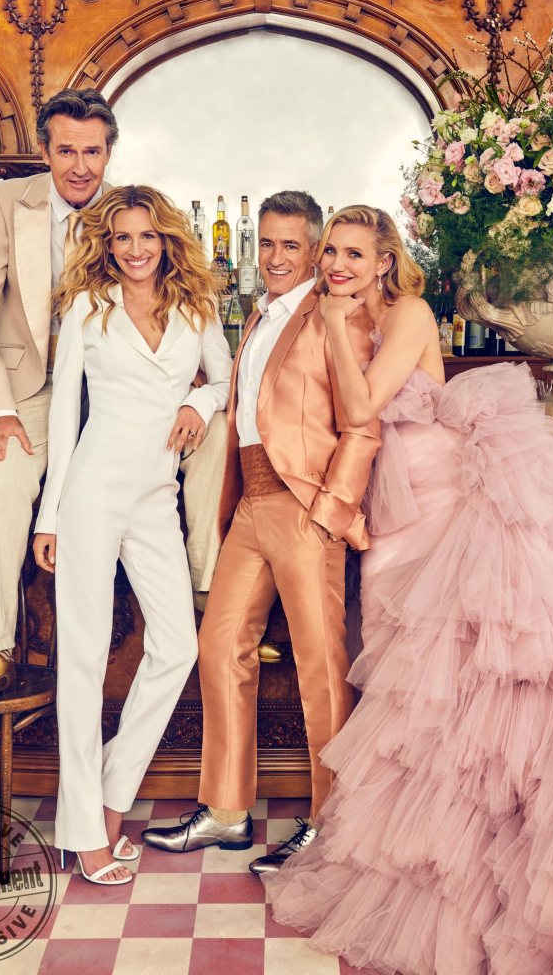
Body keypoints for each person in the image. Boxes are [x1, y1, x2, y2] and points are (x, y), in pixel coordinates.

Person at [265, 205, 553, 974]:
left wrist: (336, 326)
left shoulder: (406, 312)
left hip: (442, 517)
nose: (337, 264)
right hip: (389, 520)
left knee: (476, 694)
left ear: (385, 260)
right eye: (331, 251)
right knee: (415, 703)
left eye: (354, 253)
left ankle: (512, 872)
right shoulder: (337, 315)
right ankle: (425, 859)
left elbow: (362, 407)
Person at [142, 191, 381, 873]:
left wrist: (331, 509)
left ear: (315, 251)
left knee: (320, 669)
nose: (276, 257)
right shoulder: (259, 315)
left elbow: (362, 426)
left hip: (304, 506)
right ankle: (225, 812)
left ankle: (332, 825)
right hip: (250, 502)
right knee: (219, 647)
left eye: (291, 246)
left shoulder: (334, 314)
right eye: (267, 243)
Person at [32, 185, 232, 885]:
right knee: (83, 658)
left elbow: (226, 379)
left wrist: (197, 399)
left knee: (177, 647)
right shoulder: (88, 306)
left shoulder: (196, 306)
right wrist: (50, 514)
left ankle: (111, 795)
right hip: (92, 491)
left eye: (147, 236)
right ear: (107, 244)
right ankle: (85, 834)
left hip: (157, 494)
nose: (136, 249)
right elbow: (65, 413)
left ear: (167, 239)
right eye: (122, 238)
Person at [0, 88, 116, 705]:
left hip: (112, 388)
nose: (80, 166)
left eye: (93, 152)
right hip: (31, 387)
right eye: (67, 151)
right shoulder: (3, 202)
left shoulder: (132, 210)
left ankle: (209, 613)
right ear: (45, 151)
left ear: (109, 152)